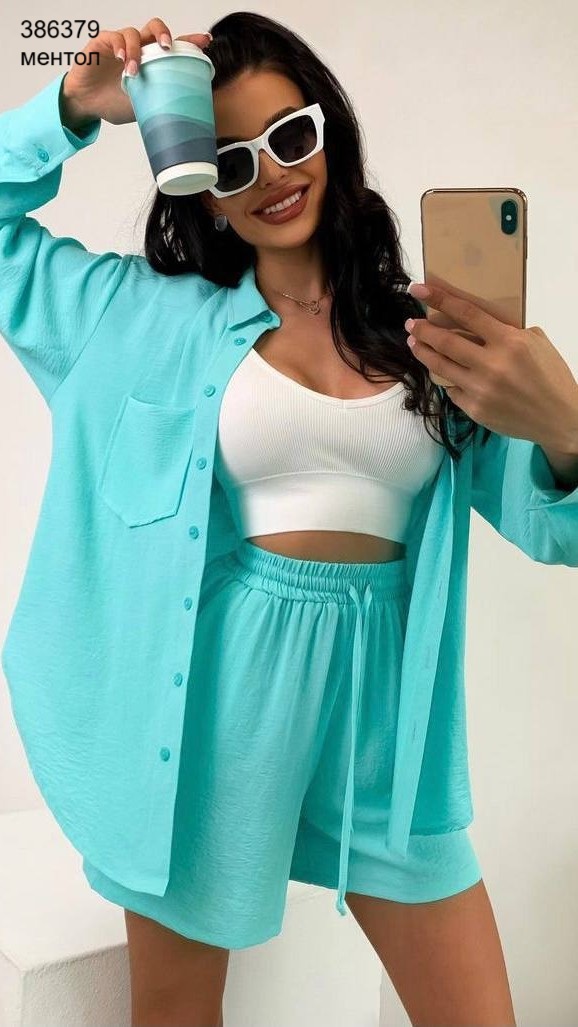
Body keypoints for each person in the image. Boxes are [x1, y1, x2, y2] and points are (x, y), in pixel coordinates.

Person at [7, 11, 577, 1027]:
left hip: (388, 730)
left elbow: (553, 528)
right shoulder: (134, 315)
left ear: (329, 132)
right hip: (215, 712)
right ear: (204, 191)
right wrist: (69, 106)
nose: (269, 174)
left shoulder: (427, 337)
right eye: (230, 161)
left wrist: (567, 428)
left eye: (289, 136)